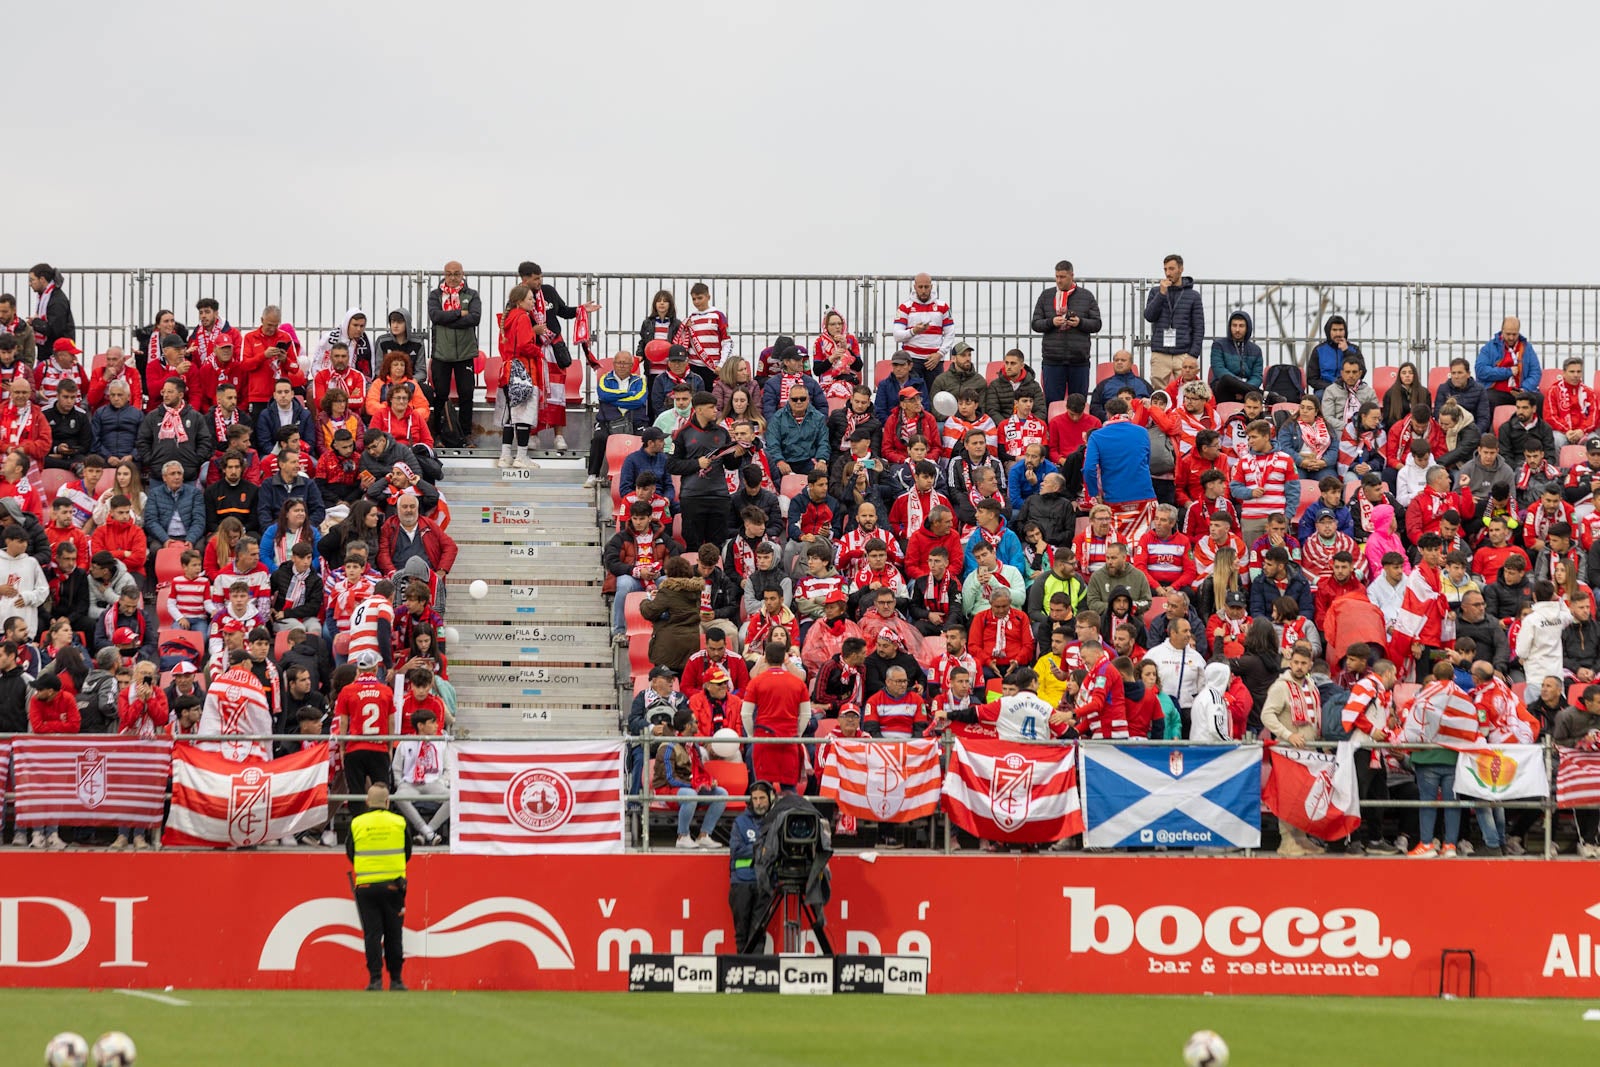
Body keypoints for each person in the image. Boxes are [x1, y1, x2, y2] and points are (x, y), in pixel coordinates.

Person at [345, 782, 412, 991]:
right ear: (387, 801)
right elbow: (407, 851)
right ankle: (396, 980)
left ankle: (375, 980)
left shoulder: (357, 823)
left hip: (365, 887)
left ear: (367, 801)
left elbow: (350, 852)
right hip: (394, 887)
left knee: (372, 935)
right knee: (394, 934)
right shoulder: (399, 822)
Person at [667, 391, 738, 552]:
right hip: (693, 498)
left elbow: (731, 465)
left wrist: (737, 455)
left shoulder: (722, 433)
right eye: (711, 407)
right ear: (698, 410)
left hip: (719, 496)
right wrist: (696, 464)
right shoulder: (682, 434)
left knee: (717, 546)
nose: (716, 411)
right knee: (693, 546)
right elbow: (672, 465)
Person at [741, 641, 813, 793]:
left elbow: (746, 714)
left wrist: (751, 735)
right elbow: (806, 714)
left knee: (762, 790)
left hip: (763, 741)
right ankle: (790, 816)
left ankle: (763, 817)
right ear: (784, 658)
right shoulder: (798, 683)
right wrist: (797, 734)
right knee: (789, 790)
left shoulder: (756, 682)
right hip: (789, 739)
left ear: (765, 658)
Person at [1082, 397, 1156, 544]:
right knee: (1143, 544)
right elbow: (1147, 461)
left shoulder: (1097, 436)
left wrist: (1095, 494)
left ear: (1108, 414)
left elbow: (1089, 469)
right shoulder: (1142, 432)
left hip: (1114, 498)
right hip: (1144, 495)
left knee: (1117, 545)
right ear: (1127, 412)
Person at [1030, 261, 1102, 403]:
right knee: (1052, 403)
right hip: (1052, 359)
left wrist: (1080, 322)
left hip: (1079, 360)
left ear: (1071, 275)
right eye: (1056, 276)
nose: (1059, 280)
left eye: (1062, 277)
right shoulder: (1046, 296)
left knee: (1078, 403)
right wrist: (1051, 322)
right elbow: (1035, 323)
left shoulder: (1086, 296)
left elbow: (1097, 324)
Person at [1142, 254, 1203, 388]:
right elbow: (1149, 316)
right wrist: (1161, 294)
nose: (1168, 273)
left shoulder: (1193, 296)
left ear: (1181, 269)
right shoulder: (1155, 292)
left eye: (1171, 269)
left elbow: (1199, 328)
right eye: (1165, 269)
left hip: (1183, 353)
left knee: (1186, 391)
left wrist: (1193, 355)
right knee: (1159, 394)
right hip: (1160, 351)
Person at [728, 779, 774, 952]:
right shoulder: (740, 822)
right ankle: (742, 970)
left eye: (762, 798)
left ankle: (756, 970)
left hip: (764, 883)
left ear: (770, 799)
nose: (758, 802)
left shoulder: (775, 821)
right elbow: (736, 850)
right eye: (754, 799)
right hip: (741, 882)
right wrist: (760, 847)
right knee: (741, 933)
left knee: (758, 933)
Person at [892, 273, 955, 386]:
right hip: (912, 360)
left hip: (935, 360)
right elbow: (897, 335)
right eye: (920, 287)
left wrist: (940, 354)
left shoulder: (943, 306)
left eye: (926, 287)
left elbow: (950, 333)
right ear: (914, 287)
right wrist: (914, 331)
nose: (924, 290)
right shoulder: (905, 307)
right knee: (912, 397)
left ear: (931, 286)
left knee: (934, 398)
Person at [1476, 316, 1541, 413]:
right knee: (1488, 398)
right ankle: (1489, 428)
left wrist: (1524, 389)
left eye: (1514, 334)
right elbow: (1481, 371)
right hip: (1496, 391)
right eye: (1508, 334)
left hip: (1521, 391)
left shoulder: (1527, 348)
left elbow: (1535, 372)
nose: (1511, 337)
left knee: (1539, 399)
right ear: (1502, 330)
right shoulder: (1489, 347)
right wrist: (1507, 372)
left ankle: (1536, 428)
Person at [1208, 311, 1263, 403]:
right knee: (1226, 379)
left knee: (1252, 394)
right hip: (1224, 388)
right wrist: (1239, 386)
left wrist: (1243, 388)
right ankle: (1265, 395)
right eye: (1234, 325)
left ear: (1247, 328)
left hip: (1247, 391)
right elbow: (1219, 369)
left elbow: (1257, 376)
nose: (1237, 329)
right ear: (1230, 327)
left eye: (1241, 326)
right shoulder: (1218, 345)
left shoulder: (1256, 350)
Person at [26, 265, 75, 362]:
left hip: (58, 357)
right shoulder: (46, 297)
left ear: (42, 279)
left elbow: (55, 330)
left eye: (32, 280)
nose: (29, 284)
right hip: (48, 353)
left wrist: (35, 322)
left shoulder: (56, 301)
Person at [1307, 315, 1364, 395]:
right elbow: (1311, 378)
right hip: (1326, 389)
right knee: (1320, 396)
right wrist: (1332, 387)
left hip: (1350, 388)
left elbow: (1362, 372)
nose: (1338, 333)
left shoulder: (1354, 349)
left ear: (1345, 331)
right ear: (1328, 331)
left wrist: (1346, 352)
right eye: (1334, 330)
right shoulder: (1319, 350)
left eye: (1341, 330)